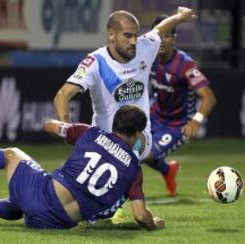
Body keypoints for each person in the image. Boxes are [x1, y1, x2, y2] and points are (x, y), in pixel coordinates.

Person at [0, 105, 165, 230]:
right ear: (138, 133)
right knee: (23, 202)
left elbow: (48, 125)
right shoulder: (134, 169)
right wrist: (156, 223)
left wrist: (66, 125)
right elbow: (141, 215)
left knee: (11, 155)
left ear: (115, 124)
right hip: (56, 223)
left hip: (43, 196)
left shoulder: (90, 133)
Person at [53, 7, 197, 165]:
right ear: (111, 35)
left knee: (129, 154)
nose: (134, 41)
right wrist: (67, 129)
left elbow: (160, 28)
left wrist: (181, 17)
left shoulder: (145, 47)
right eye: (128, 36)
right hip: (103, 140)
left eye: (136, 35)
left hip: (139, 137)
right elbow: (63, 95)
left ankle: (129, 170)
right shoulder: (95, 62)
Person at [143, 15, 217, 196]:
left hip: (177, 126)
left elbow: (209, 97)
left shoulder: (185, 65)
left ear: (174, 39)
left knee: (144, 154)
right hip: (153, 115)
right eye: (159, 35)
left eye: (167, 36)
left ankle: (126, 200)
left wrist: (196, 121)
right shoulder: (148, 57)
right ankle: (168, 171)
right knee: (129, 148)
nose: (162, 41)